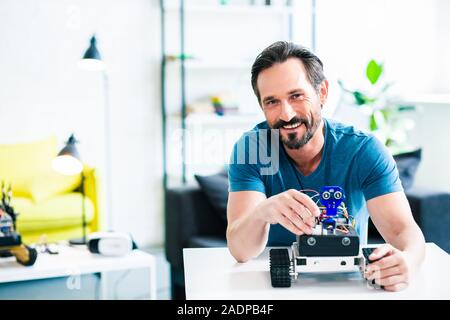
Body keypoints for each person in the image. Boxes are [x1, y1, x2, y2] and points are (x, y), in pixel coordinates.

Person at [226, 41, 425, 292]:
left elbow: (405, 231)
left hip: (346, 286)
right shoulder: (251, 149)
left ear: (322, 93)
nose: (286, 115)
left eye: (296, 96)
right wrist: (263, 211)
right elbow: (241, 251)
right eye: (272, 102)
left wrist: (408, 261)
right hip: (276, 290)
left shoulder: (363, 150)